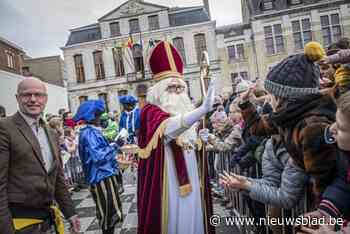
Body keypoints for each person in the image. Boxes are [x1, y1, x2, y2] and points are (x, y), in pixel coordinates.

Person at [237, 42, 338, 196]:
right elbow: (258, 128)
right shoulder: (288, 115)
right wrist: (245, 105)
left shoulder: (313, 128)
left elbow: (324, 183)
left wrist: (322, 214)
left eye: (272, 95)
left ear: (286, 98)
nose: (269, 100)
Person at [137, 41, 216, 234]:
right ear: (159, 90)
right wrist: (202, 110)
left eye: (180, 88)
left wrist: (200, 140)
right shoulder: (150, 112)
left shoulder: (186, 112)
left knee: (195, 218)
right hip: (167, 184)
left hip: (191, 179)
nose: (177, 93)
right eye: (172, 88)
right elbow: (169, 128)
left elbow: (188, 141)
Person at [0, 77, 80, 234]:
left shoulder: (51, 133)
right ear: (17, 98)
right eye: (26, 95)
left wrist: (71, 213)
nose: (33, 99)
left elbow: (57, 179)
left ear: (46, 98)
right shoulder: (5, 128)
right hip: (19, 223)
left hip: (47, 221)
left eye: (38, 94)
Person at [73, 100, 123, 234]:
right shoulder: (89, 133)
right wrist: (115, 145)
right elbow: (98, 157)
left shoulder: (92, 131)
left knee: (111, 210)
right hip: (100, 177)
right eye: (100, 115)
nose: (102, 117)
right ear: (93, 116)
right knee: (107, 212)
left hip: (104, 175)